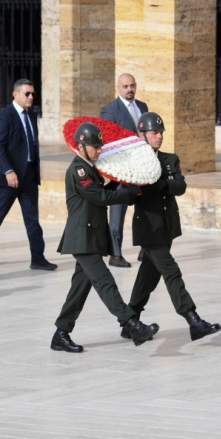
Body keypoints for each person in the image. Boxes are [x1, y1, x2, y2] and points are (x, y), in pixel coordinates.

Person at [51, 122, 159, 353]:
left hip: (90, 237)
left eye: (100, 146)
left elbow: (104, 192)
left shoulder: (89, 169)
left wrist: (125, 185)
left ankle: (61, 334)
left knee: (79, 289)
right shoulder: (79, 170)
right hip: (82, 238)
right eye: (94, 147)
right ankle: (132, 325)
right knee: (105, 282)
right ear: (81, 146)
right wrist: (127, 192)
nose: (99, 150)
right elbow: (99, 196)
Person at [122, 112, 221, 341]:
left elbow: (180, 186)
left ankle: (130, 320)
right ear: (142, 135)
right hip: (148, 228)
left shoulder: (169, 159)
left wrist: (161, 183)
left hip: (166, 226)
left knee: (149, 275)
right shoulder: (133, 163)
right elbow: (130, 194)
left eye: (160, 133)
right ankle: (193, 319)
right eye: (154, 133)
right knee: (171, 271)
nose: (159, 137)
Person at [0, 79, 56, 271]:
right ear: (15, 94)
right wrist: (8, 171)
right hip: (8, 177)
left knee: (32, 218)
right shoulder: (4, 116)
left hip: (28, 175)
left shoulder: (32, 115)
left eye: (32, 94)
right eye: (27, 94)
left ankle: (38, 258)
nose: (31, 97)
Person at [99, 73, 149, 268]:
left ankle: (145, 247)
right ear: (118, 88)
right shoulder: (109, 110)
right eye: (125, 86)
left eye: (132, 86)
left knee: (145, 208)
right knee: (118, 212)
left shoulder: (142, 107)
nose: (129, 90)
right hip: (122, 170)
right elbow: (108, 141)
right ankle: (115, 253)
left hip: (142, 167)